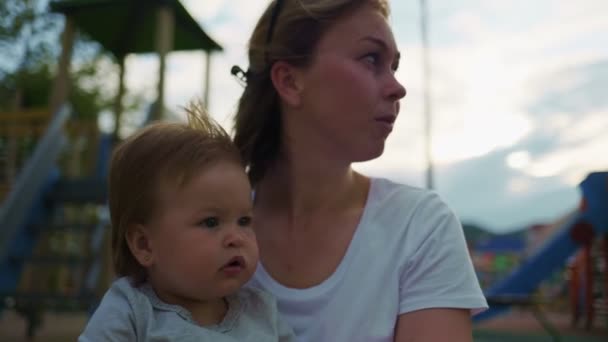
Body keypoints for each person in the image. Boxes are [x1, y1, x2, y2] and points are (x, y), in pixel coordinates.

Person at [231, 0, 488, 341]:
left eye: (394, 66)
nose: (398, 87)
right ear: (290, 81)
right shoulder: (199, 227)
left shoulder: (419, 227)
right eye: (371, 59)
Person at [79, 103, 296, 341]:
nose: (236, 238)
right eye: (211, 222)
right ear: (145, 245)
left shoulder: (260, 311)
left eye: (244, 220)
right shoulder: (132, 312)